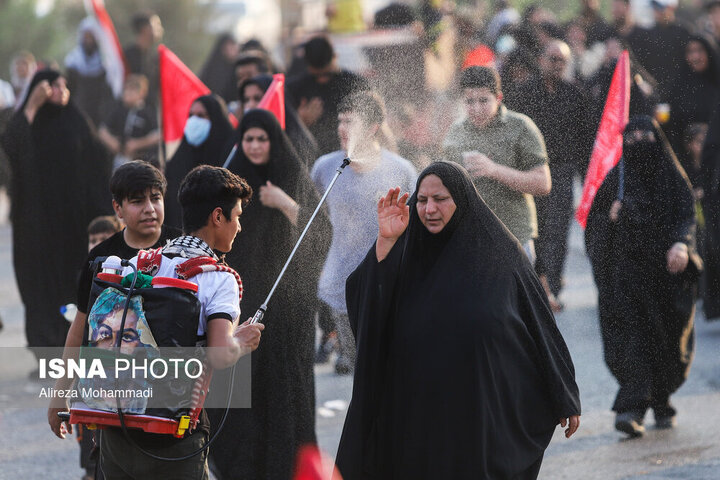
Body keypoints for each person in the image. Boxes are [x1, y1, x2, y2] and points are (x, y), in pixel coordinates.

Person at [336, 161, 581, 479]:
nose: (429, 209)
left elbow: (539, 325)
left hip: (478, 418)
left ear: (462, 200)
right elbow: (366, 306)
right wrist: (385, 243)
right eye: (422, 201)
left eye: (441, 199)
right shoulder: (403, 250)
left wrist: (563, 395)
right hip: (415, 420)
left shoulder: (500, 256)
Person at [208, 108, 331, 480]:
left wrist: (283, 202)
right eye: (249, 139)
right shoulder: (228, 186)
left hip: (284, 305)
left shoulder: (290, 174)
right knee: (239, 387)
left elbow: (320, 232)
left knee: (283, 388)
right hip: (236, 302)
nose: (256, 146)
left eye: (263, 138)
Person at [49, 161, 181, 479]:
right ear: (118, 208)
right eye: (137, 201)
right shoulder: (99, 261)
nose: (149, 208)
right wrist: (59, 395)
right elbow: (79, 329)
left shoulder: (183, 253)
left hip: (174, 403)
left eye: (155, 198)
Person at [585, 116, 701, 437]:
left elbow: (686, 215)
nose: (638, 140)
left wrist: (681, 245)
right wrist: (609, 218)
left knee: (665, 338)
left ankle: (662, 400)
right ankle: (631, 407)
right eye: (631, 135)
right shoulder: (616, 180)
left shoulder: (672, 177)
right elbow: (594, 227)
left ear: (657, 137)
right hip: (625, 276)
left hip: (665, 276)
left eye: (645, 134)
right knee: (631, 336)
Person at [0, 69, 111, 356]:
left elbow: (98, 168)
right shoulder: (28, 123)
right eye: (52, 85)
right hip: (36, 226)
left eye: (64, 84)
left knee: (77, 287)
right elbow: (11, 148)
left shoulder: (77, 122)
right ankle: (45, 352)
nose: (61, 90)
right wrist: (32, 106)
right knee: (38, 288)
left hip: (74, 227)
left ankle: (78, 350)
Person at [311, 91, 417, 375]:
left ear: (372, 128)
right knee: (362, 371)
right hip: (342, 287)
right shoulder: (325, 168)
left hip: (391, 285)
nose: (342, 129)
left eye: (351, 122)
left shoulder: (401, 170)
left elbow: (417, 226)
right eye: (340, 121)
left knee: (395, 369)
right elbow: (311, 221)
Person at [505, 40, 595, 311]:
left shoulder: (575, 94)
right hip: (529, 171)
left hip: (562, 171)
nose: (556, 64)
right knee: (533, 229)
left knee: (557, 230)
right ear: (541, 59)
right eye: (552, 58)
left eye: (561, 60)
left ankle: (552, 287)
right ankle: (533, 285)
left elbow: (584, 137)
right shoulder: (523, 92)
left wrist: (586, 176)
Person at [443, 66, 551, 264]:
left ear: (499, 97)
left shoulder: (520, 127)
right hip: (469, 237)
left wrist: (494, 170)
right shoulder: (455, 132)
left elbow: (543, 183)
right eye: (469, 101)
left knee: (513, 295)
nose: (476, 109)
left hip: (513, 235)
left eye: (484, 101)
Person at [287, 35, 369, 155]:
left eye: (327, 74)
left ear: (335, 57)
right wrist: (299, 121)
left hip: (347, 154)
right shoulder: (294, 88)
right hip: (308, 156)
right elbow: (281, 131)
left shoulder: (354, 85)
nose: (322, 80)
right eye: (317, 76)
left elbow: (371, 122)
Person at [164, 94, 235, 230]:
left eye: (201, 116)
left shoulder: (230, 156)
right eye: (191, 115)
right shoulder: (179, 158)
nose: (194, 121)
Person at [238, 74, 319, 166]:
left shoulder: (297, 143)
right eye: (246, 100)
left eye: (257, 98)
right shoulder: (237, 141)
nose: (251, 105)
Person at [667, 35, 720, 153]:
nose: (695, 56)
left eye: (700, 50)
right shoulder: (680, 86)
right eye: (690, 52)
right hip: (687, 153)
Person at [98, 74, 161, 170]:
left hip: (141, 160)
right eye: (126, 90)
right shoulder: (118, 110)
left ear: (142, 93)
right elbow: (103, 130)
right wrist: (113, 143)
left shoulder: (148, 112)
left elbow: (156, 135)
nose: (127, 93)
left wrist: (137, 144)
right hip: (119, 158)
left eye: (132, 90)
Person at [64, 17, 115, 127]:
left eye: (91, 36)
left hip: (101, 116)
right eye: (86, 36)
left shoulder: (106, 63)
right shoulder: (73, 62)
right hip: (78, 114)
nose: (88, 40)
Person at [123, 12, 163, 105]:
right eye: (155, 25)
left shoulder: (155, 58)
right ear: (144, 29)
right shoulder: (126, 56)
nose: (159, 29)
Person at [200, 33, 240, 104]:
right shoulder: (212, 70)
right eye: (229, 47)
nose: (232, 50)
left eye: (233, 45)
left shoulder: (240, 70)